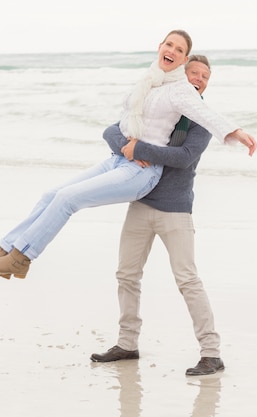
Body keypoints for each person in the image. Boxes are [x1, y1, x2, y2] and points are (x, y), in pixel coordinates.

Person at [0, 29, 256, 279]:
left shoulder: (181, 90)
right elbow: (118, 124)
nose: (172, 50)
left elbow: (206, 115)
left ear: (183, 59)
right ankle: (5, 249)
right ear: (160, 47)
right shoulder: (151, 80)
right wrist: (125, 144)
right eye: (169, 44)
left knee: (68, 199)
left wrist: (237, 132)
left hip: (142, 171)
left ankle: (22, 258)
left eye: (180, 50)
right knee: (51, 194)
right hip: (119, 160)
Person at [90, 55, 227, 376]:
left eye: (205, 76)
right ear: (180, 76)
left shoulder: (201, 118)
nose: (199, 79)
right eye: (194, 72)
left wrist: (136, 149)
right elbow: (112, 130)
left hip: (176, 210)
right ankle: (127, 344)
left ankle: (211, 353)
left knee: (188, 280)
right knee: (126, 275)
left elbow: (183, 157)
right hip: (140, 203)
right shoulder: (154, 105)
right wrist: (125, 143)